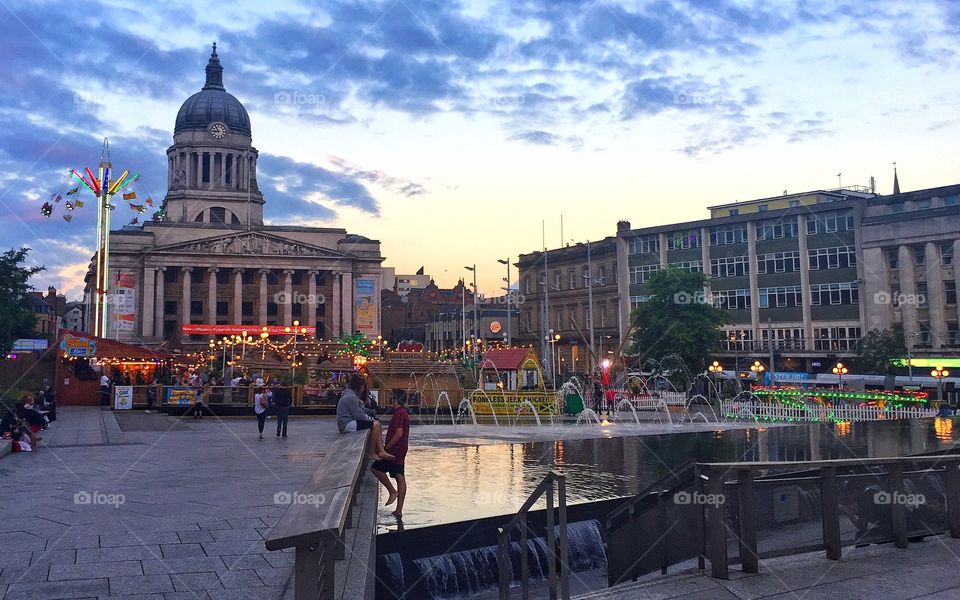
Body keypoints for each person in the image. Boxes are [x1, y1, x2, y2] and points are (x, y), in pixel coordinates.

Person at [371, 391, 410, 519]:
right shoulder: (404, 412)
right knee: (400, 475)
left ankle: (392, 491)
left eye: (392, 399)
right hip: (402, 449)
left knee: (376, 468)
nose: (391, 401)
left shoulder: (399, 414)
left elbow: (398, 433)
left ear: (395, 400)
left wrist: (386, 448)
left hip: (395, 449)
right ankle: (399, 510)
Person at [337, 373, 393, 460]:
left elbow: (359, 411)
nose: (363, 389)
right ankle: (372, 453)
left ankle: (381, 450)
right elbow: (358, 416)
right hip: (347, 425)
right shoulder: (351, 397)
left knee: (376, 423)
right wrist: (371, 420)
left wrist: (368, 412)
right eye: (363, 386)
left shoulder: (351, 396)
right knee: (376, 425)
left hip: (348, 422)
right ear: (359, 386)